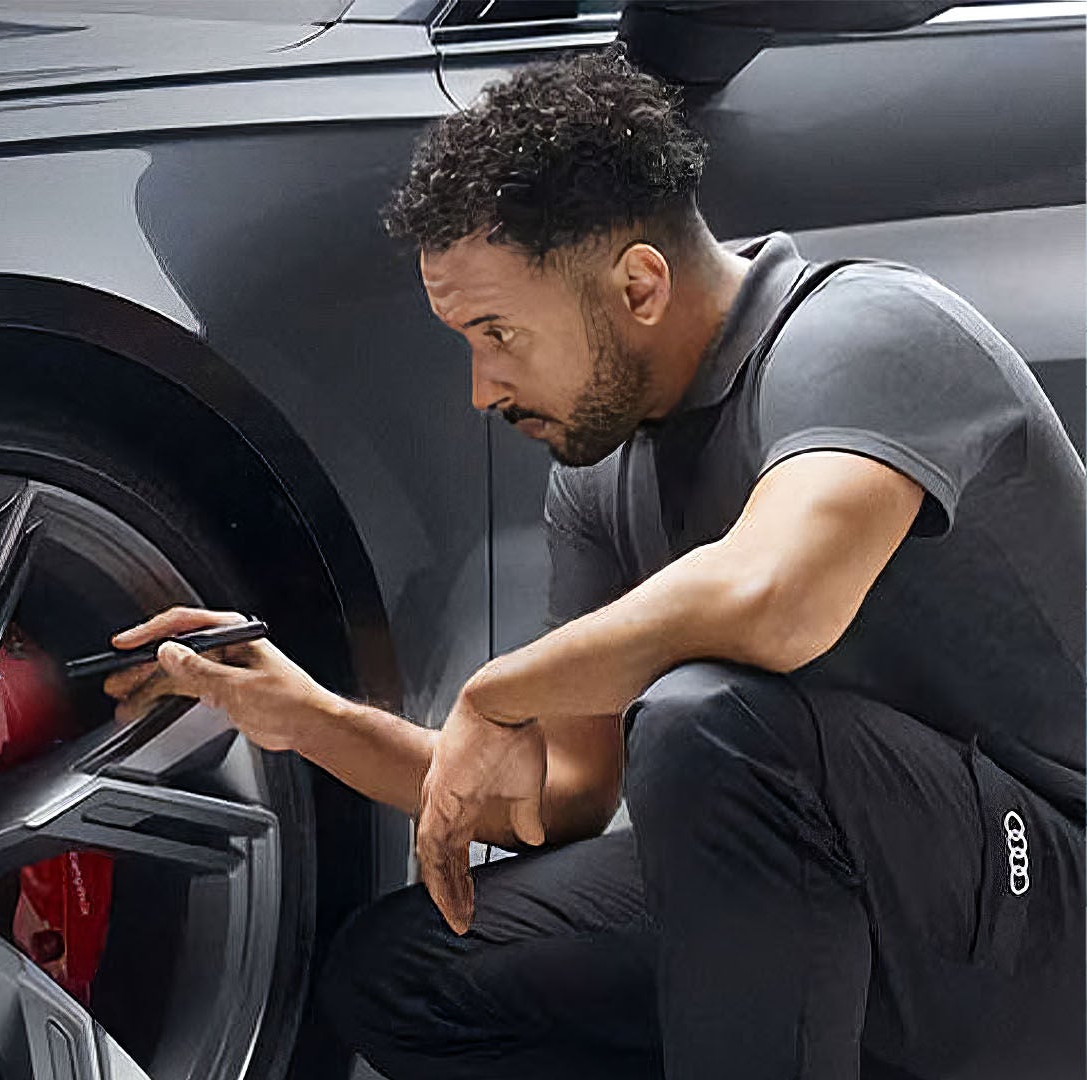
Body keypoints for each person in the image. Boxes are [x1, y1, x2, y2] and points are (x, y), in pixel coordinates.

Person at [102, 48, 1084, 1080]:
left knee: (715, 721)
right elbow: (562, 791)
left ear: (638, 285)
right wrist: (310, 719)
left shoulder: (865, 333)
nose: (482, 387)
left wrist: (499, 688)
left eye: (498, 332)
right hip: (848, 912)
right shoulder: (601, 470)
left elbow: (778, 598)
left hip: (1048, 924)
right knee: (401, 978)